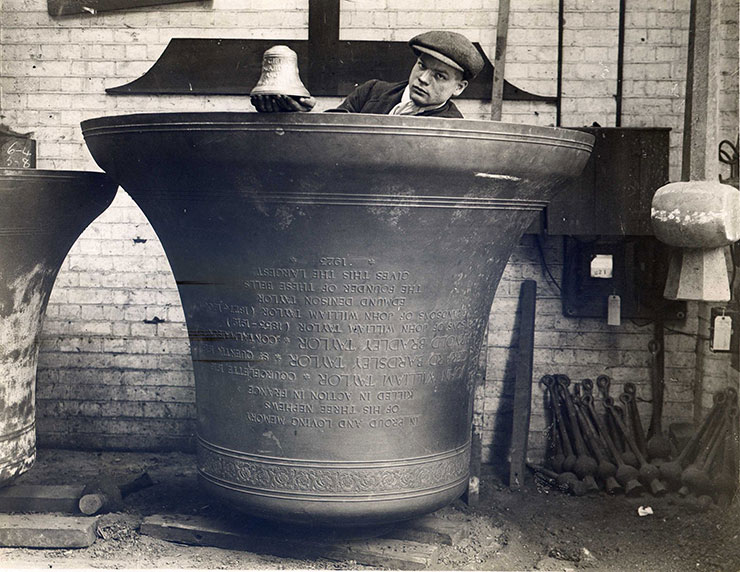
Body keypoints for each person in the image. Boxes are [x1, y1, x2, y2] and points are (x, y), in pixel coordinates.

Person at [251, 30, 484, 118]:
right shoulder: (372, 91)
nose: (423, 79)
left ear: (459, 87)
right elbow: (334, 133)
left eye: (439, 76)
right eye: (422, 66)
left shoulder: (452, 126)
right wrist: (304, 114)